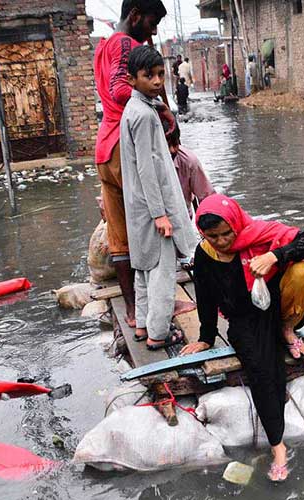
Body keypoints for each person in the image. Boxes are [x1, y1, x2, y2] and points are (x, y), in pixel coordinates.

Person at [180, 194, 304, 481]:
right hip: (243, 318)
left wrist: (274, 255)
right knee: (260, 367)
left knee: (300, 269)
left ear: (236, 223)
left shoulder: (259, 233)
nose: (221, 241)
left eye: (226, 233)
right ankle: (277, 445)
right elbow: (204, 295)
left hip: (276, 307)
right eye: (213, 236)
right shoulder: (205, 253)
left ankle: (288, 329)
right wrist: (206, 337)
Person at [93, 0, 173, 328]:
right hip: (126, 150)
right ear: (136, 16)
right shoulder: (125, 44)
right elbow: (118, 89)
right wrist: (161, 108)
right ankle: (156, 306)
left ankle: (132, 310)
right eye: (152, 23)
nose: (154, 31)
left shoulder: (105, 45)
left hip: (104, 150)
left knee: (121, 238)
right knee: (155, 225)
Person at [120, 45, 199, 351]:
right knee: (163, 274)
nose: (156, 81)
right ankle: (158, 333)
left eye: (160, 74)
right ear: (131, 79)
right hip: (153, 209)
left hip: (138, 208)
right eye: (148, 76)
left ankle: (142, 327)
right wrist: (160, 214)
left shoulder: (136, 110)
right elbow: (148, 167)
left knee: (143, 269)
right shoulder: (143, 116)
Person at [165, 121, 215, 217]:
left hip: (182, 218)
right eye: (167, 146)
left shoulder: (188, 161)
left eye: (175, 144)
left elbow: (207, 197)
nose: (172, 150)